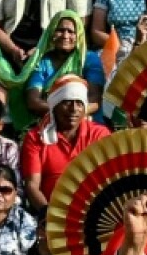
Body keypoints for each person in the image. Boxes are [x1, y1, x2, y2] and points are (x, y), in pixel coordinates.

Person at [20, 74, 109, 210]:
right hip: (51, 213)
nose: (74, 109)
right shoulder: (36, 138)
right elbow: (32, 185)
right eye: (67, 102)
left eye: (79, 103)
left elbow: (107, 179)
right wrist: (47, 214)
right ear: (54, 105)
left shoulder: (99, 135)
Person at [23, 11, 105, 122]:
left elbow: (95, 100)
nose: (65, 36)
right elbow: (33, 101)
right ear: (52, 33)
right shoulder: (42, 62)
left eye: (71, 32)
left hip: (85, 119)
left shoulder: (89, 59)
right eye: (60, 30)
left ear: (78, 36)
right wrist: (62, 113)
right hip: (50, 119)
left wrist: (73, 115)